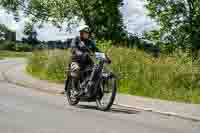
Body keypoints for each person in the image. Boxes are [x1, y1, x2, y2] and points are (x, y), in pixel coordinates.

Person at [69, 25, 100, 96]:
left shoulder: (90, 42)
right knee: (76, 69)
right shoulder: (76, 39)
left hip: (87, 61)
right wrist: (79, 53)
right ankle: (75, 89)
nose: (87, 34)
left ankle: (90, 88)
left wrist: (105, 57)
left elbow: (97, 51)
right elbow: (73, 48)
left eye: (88, 33)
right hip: (76, 60)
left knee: (96, 70)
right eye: (85, 33)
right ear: (81, 33)